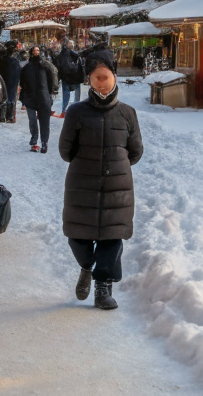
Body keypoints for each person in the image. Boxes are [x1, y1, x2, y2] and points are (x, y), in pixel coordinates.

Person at [59, 56, 141, 310]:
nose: (103, 83)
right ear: (90, 81)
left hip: (117, 188)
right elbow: (65, 151)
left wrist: (115, 165)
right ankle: (86, 265)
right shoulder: (76, 112)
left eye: (106, 77)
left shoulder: (127, 113)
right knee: (77, 236)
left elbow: (135, 152)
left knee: (112, 238)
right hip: (82, 185)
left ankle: (103, 288)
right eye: (97, 78)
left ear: (115, 77)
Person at [18, 45, 60, 152]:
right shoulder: (27, 67)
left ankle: (44, 143)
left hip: (44, 97)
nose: (36, 52)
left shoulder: (46, 66)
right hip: (30, 97)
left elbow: (53, 78)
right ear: (31, 52)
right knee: (32, 120)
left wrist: (50, 92)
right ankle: (34, 139)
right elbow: (22, 82)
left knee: (44, 122)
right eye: (34, 50)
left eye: (38, 50)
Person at [54, 38, 85, 117]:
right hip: (75, 76)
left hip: (67, 77)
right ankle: (74, 110)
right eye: (70, 44)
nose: (72, 45)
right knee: (75, 94)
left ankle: (64, 110)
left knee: (66, 94)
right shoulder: (76, 55)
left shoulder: (63, 54)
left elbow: (59, 65)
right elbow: (80, 66)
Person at [0, 43, 22, 124]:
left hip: (4, 81)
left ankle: (3, 116)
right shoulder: (15, 61)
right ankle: (10, 116)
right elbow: (19, 71)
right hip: (13, 82)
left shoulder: (1, 61)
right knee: (12, 98)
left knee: (4, 98)